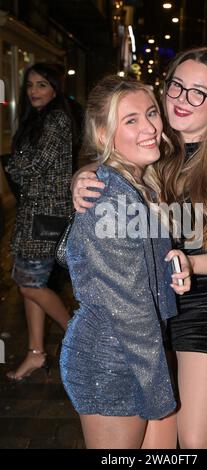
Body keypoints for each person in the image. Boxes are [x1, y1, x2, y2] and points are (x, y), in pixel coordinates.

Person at [71, 47, 207, 449]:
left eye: (198, 92)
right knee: (159, 435)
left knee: (194, 437)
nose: (180, 99)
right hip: (150, 306)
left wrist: (190, 264)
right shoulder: (156, 144)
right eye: (176, 86)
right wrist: (83, 175)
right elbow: (111, 161)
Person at [60, 75, 191, 449]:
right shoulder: (109, 197)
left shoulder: (139, 183)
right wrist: (158, 394)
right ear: (103, 135)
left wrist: (172, 267)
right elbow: (130, 310)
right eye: (130, 120)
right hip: (111, 359)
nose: (150, 127)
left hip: (138, 351)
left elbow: (135, 268)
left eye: (151, 113)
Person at [4, 63, 78, 381]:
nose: (35, 91)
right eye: (31, 85)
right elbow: (22, 164)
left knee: (29, 283)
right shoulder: (37, 119)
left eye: (42, 85)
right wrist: (15, 163)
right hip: (33, 212)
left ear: (55, 89)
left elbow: (32, 164)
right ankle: (36, 353)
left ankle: (78, 332)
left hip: (47, 214)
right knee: (30, 286)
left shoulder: (57, 119)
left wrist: (11, 163)